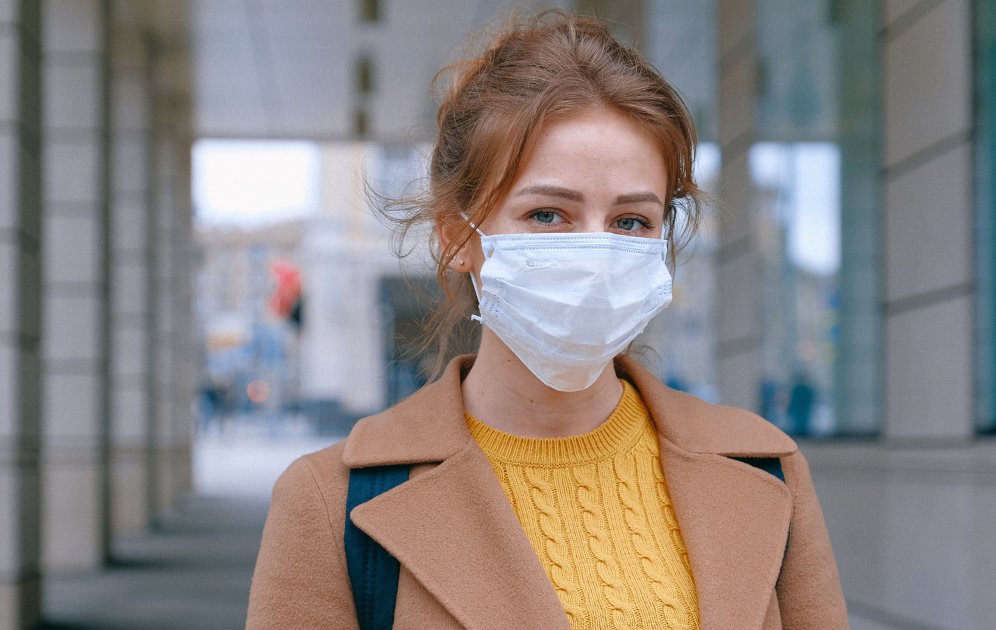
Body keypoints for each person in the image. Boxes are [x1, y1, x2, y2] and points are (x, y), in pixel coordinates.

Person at [246, 11, 848, 630]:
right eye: (548, 215)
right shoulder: (331, 502)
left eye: (631, 221)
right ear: (458, 238)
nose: (595, 255)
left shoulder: (764, 468)